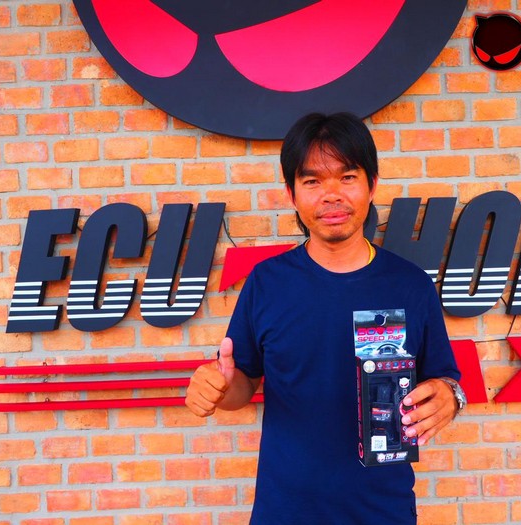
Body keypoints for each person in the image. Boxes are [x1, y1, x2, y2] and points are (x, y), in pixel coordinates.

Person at [186, 112, 463, 524]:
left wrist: (449, 397)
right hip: (285, 512)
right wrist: (219, 388)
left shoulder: (410, 285)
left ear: (372, 185)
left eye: (347, 177)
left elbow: (445, 380)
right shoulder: (267, 283)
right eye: (312, 181)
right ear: (291, 193)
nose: (331, 195)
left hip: (381, 511)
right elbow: (241, 384)